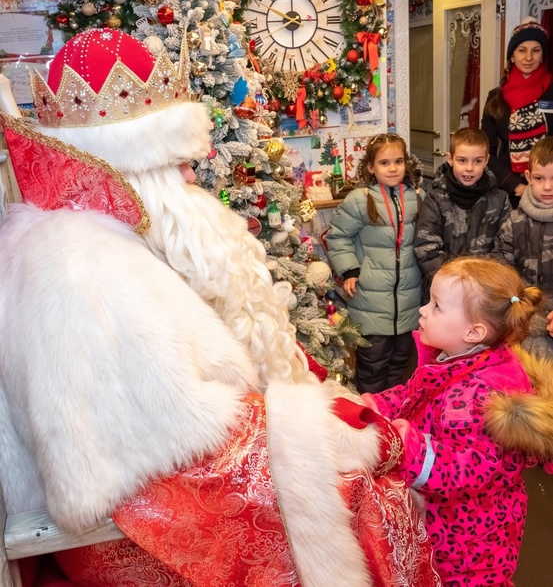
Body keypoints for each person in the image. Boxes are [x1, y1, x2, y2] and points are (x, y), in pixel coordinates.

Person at [0, 30, 441, 587]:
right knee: (379, 499)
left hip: (141, 514)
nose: (192, 175)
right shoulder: (83, 266)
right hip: (128, 544)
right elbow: (190, 449)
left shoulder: (98, 236)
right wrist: (324, 433)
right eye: (177, 163)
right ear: (134, 168)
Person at [362, 256, 553, 586]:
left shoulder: (478, 395)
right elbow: (414, 394)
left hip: (470, 538)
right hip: (451, 525)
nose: (423, 310)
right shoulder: (455, 360)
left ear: (473, 331)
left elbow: (463, 469)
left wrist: (409, 447)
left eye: (436, 306)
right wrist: (373, 406)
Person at [325, 133, 423, 394]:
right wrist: (350, 271)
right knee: (373, 361)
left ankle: (395, 408)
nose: (393, 168)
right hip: (370, 297)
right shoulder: (359, 199)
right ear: (371, 167)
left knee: (402, 359)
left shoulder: (415, 196)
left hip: (408, 299)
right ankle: (374, 411)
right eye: (384, 163)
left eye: (398, 161)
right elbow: (338, 236)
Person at [414, 127, 511, 300]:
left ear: (487, 160)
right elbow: (426, 246)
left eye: (477, 161)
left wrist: (481, 281)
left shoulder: (500, 198)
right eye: (462, 160)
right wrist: (454, 282)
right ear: (450, 159)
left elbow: (506, 246)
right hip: (444, 292)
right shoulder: (436, 197)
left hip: (485, 292)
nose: (469, 168)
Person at [482, 18, 553, 208]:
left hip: (550, 189)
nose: (528, 57)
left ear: (543, 55)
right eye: (522, 50)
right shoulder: (495, 97)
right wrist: (517, 186)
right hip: (510, 193)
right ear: (512, 56)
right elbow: (486, 151)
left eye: (536, 50)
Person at [494, 136, 553, 358]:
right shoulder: (514, 222)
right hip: (523, 327)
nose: (547, 186)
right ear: (528, 177)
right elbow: (501, 273)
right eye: (539, 178)